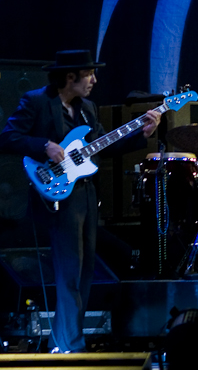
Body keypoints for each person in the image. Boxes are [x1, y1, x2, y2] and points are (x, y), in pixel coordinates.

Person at [0, 50, 161, 353]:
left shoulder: (87, 108)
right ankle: (72, 346)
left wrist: (142, 134)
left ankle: (61, 341)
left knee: (86, 272)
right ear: (71, 77)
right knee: (70, 272)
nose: (95, 80)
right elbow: (7, 137)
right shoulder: (37, 100)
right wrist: (43, 145)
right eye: (90, 74)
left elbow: (102, 147)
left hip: (86, 196)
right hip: (58, 198)